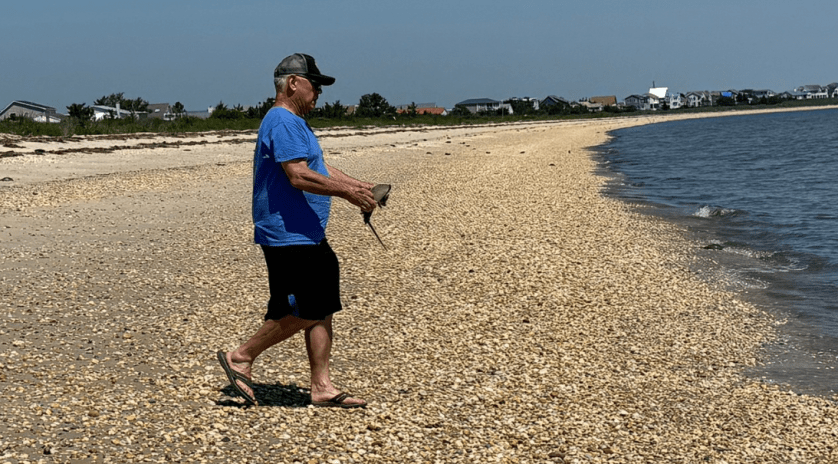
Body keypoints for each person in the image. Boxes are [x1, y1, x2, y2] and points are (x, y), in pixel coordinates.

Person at [217, 53, 377, 408]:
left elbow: (318, 167)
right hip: (287, 233)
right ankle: (241, 356)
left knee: (321, 307)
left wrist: (360, 187)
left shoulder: (294, 123)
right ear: (293, 83)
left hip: (305, 231)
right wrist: (348, 194)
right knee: (305, 307)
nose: (319, 92)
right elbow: (298, 175)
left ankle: (321, 386)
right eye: (315, 85)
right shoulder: (282, 121)